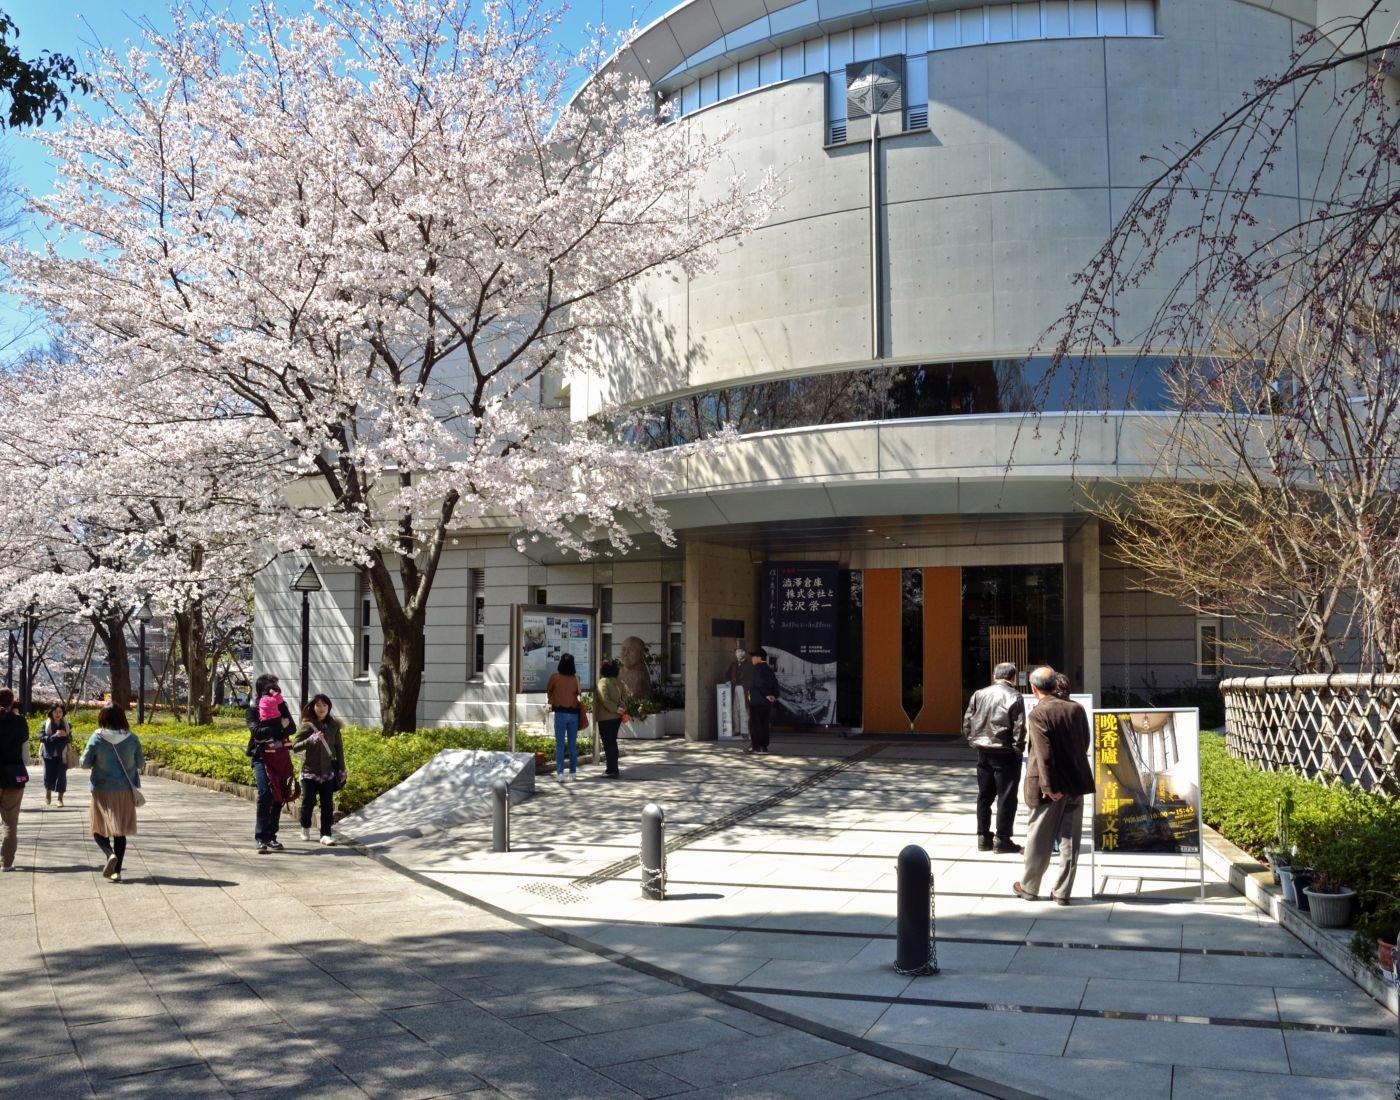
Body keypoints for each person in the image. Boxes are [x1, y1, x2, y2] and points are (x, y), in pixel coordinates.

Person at [1013, 666, 1096, 906]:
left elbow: (1043, 753)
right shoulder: (1076, 709)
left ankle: (1029, 888)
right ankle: (1062, 892)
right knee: (1070, 840)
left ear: (1034, 688)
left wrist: (1049, 787)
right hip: (1075, 782)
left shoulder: (1038, 713)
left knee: (1038, 838)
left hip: (1048, 786)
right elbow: (1085, 742)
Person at [962, 662, 1026, 854]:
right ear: (1013, 677)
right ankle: (1002, 839)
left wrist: (972, 740)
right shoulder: (1015, 696)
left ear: (994, 676)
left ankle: (983, 837)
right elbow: (1019, 727)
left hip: (983, 751)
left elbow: (967, 721)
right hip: (1005, 753)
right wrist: (1018, 750)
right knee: (1006, 798)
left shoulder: (979, 694)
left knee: (984, 795)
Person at [80, 704, 143, 883]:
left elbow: (84, 762)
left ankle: (109, 854)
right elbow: (140, 763)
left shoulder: (97, 738)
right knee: (120, 832)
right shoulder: (132, 739)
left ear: (103, 717)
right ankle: (116, 872)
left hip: (101, 790)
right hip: (125, 790)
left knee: (97, 828)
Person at [245, 674, 295, 852]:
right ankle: (260, 837)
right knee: (265, 794)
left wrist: (275, 728)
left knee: (278, 796)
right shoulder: (253, 711)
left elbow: (292, 728)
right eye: (271, 687)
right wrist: (279, 726)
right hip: (260, 757)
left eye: (276, 687)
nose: (275, 690)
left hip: (280, 756)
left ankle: (271, 836)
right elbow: (258, 733)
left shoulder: (281, 706)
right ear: (262, 690)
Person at [291, 694, 346, 845]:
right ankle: (305, 826)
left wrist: (342, 769)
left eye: (324, 705)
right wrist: (309, 741)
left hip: (328, 772)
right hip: (310, 772)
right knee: (308, 802)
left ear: (329, 707)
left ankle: (326, 834)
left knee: (327, 804)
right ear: (313, 707)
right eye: (318, 705)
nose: (321, 708)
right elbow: (295, 747)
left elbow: (339, 748)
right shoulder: (307, 725)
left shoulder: (333, 726)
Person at [0, 689, 30, 872]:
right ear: (12, 702)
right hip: (13, 775)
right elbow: (24, 737)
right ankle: (6, 862)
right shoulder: (19, 721)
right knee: (10, 822)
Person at [546, 654, 582, 780]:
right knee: (572, 745)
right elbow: (579, 693)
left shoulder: (554, 677)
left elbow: (549, 690)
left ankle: (560, 774)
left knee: (560, 745)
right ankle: (573, 773)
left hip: (560, 713)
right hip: (574, 714)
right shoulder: (576, 678)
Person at [592, 660, 630, 778]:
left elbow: (604, 698)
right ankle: (614, 768)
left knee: (608, 744)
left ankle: (611, 770)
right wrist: (621, 708)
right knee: (612, 742)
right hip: (617, 718)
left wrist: (615, 708)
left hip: (606, 717)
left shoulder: (602, 681)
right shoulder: (619, 682)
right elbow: (625, 697)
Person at [39, 702, 73, 807]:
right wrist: (55, 736)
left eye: (60, 712)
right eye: (55, 712)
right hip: (48, 754)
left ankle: (60, 799)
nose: (58, 714)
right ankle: (48, 791)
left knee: (61, 776)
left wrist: (65, 735)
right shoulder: (45, 724)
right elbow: (42, 738)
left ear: (63, 713)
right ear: (51, 712)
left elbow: (70, 739)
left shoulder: (66, 724)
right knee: (48, 775)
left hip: (62, 754)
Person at [747, 647, 780, 753]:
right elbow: (775, 683)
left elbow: (759, 683)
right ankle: (763, 746)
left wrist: (767, 695)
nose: (752, 659)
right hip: (766, 704)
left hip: (757, 702)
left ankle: (755, 746)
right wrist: (774, 695)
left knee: (755, 725)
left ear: (759, 658)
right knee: (764, 725)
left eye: (753, 657)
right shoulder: (769, 669)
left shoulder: (757, 668)